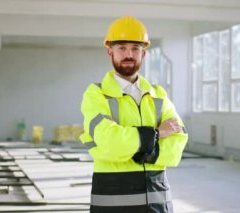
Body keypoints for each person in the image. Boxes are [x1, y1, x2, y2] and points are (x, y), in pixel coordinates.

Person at [80, 15, 188, 213]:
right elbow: (109, 141)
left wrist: (143, 150)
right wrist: (157, 135)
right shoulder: (96, 94)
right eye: (122, 48)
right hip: (113, 203)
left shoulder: (158, 94)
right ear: (109, 52)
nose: (129, 54)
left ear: (144, 54)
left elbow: (178, 143)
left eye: (135, 48)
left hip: (158, 204)